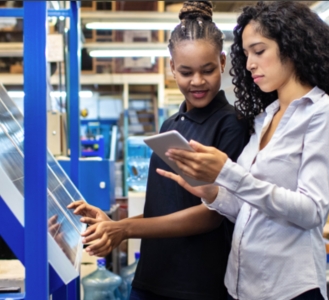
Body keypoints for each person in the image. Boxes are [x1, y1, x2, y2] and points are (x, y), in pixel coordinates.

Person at [157, 2, 329, 300]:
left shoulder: (326, 114)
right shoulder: (266, 118)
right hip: (241, 285)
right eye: (247, 53)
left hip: (289, 288)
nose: (249, 63)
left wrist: (229, 172)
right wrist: (213, 192)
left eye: (259, 51)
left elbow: (312, 211)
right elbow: (251, 209)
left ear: (291, 47)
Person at [68, 1, 249, 300]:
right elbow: (162, 208)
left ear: (222, 62)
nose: (197, 81)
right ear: (171, 67)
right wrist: (115, 225)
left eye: (207, 70)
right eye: (186, 71)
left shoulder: (230, 125)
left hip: (196, 285)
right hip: (151, 277)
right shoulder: (170, 125)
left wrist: (125, 229)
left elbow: (211, 215)